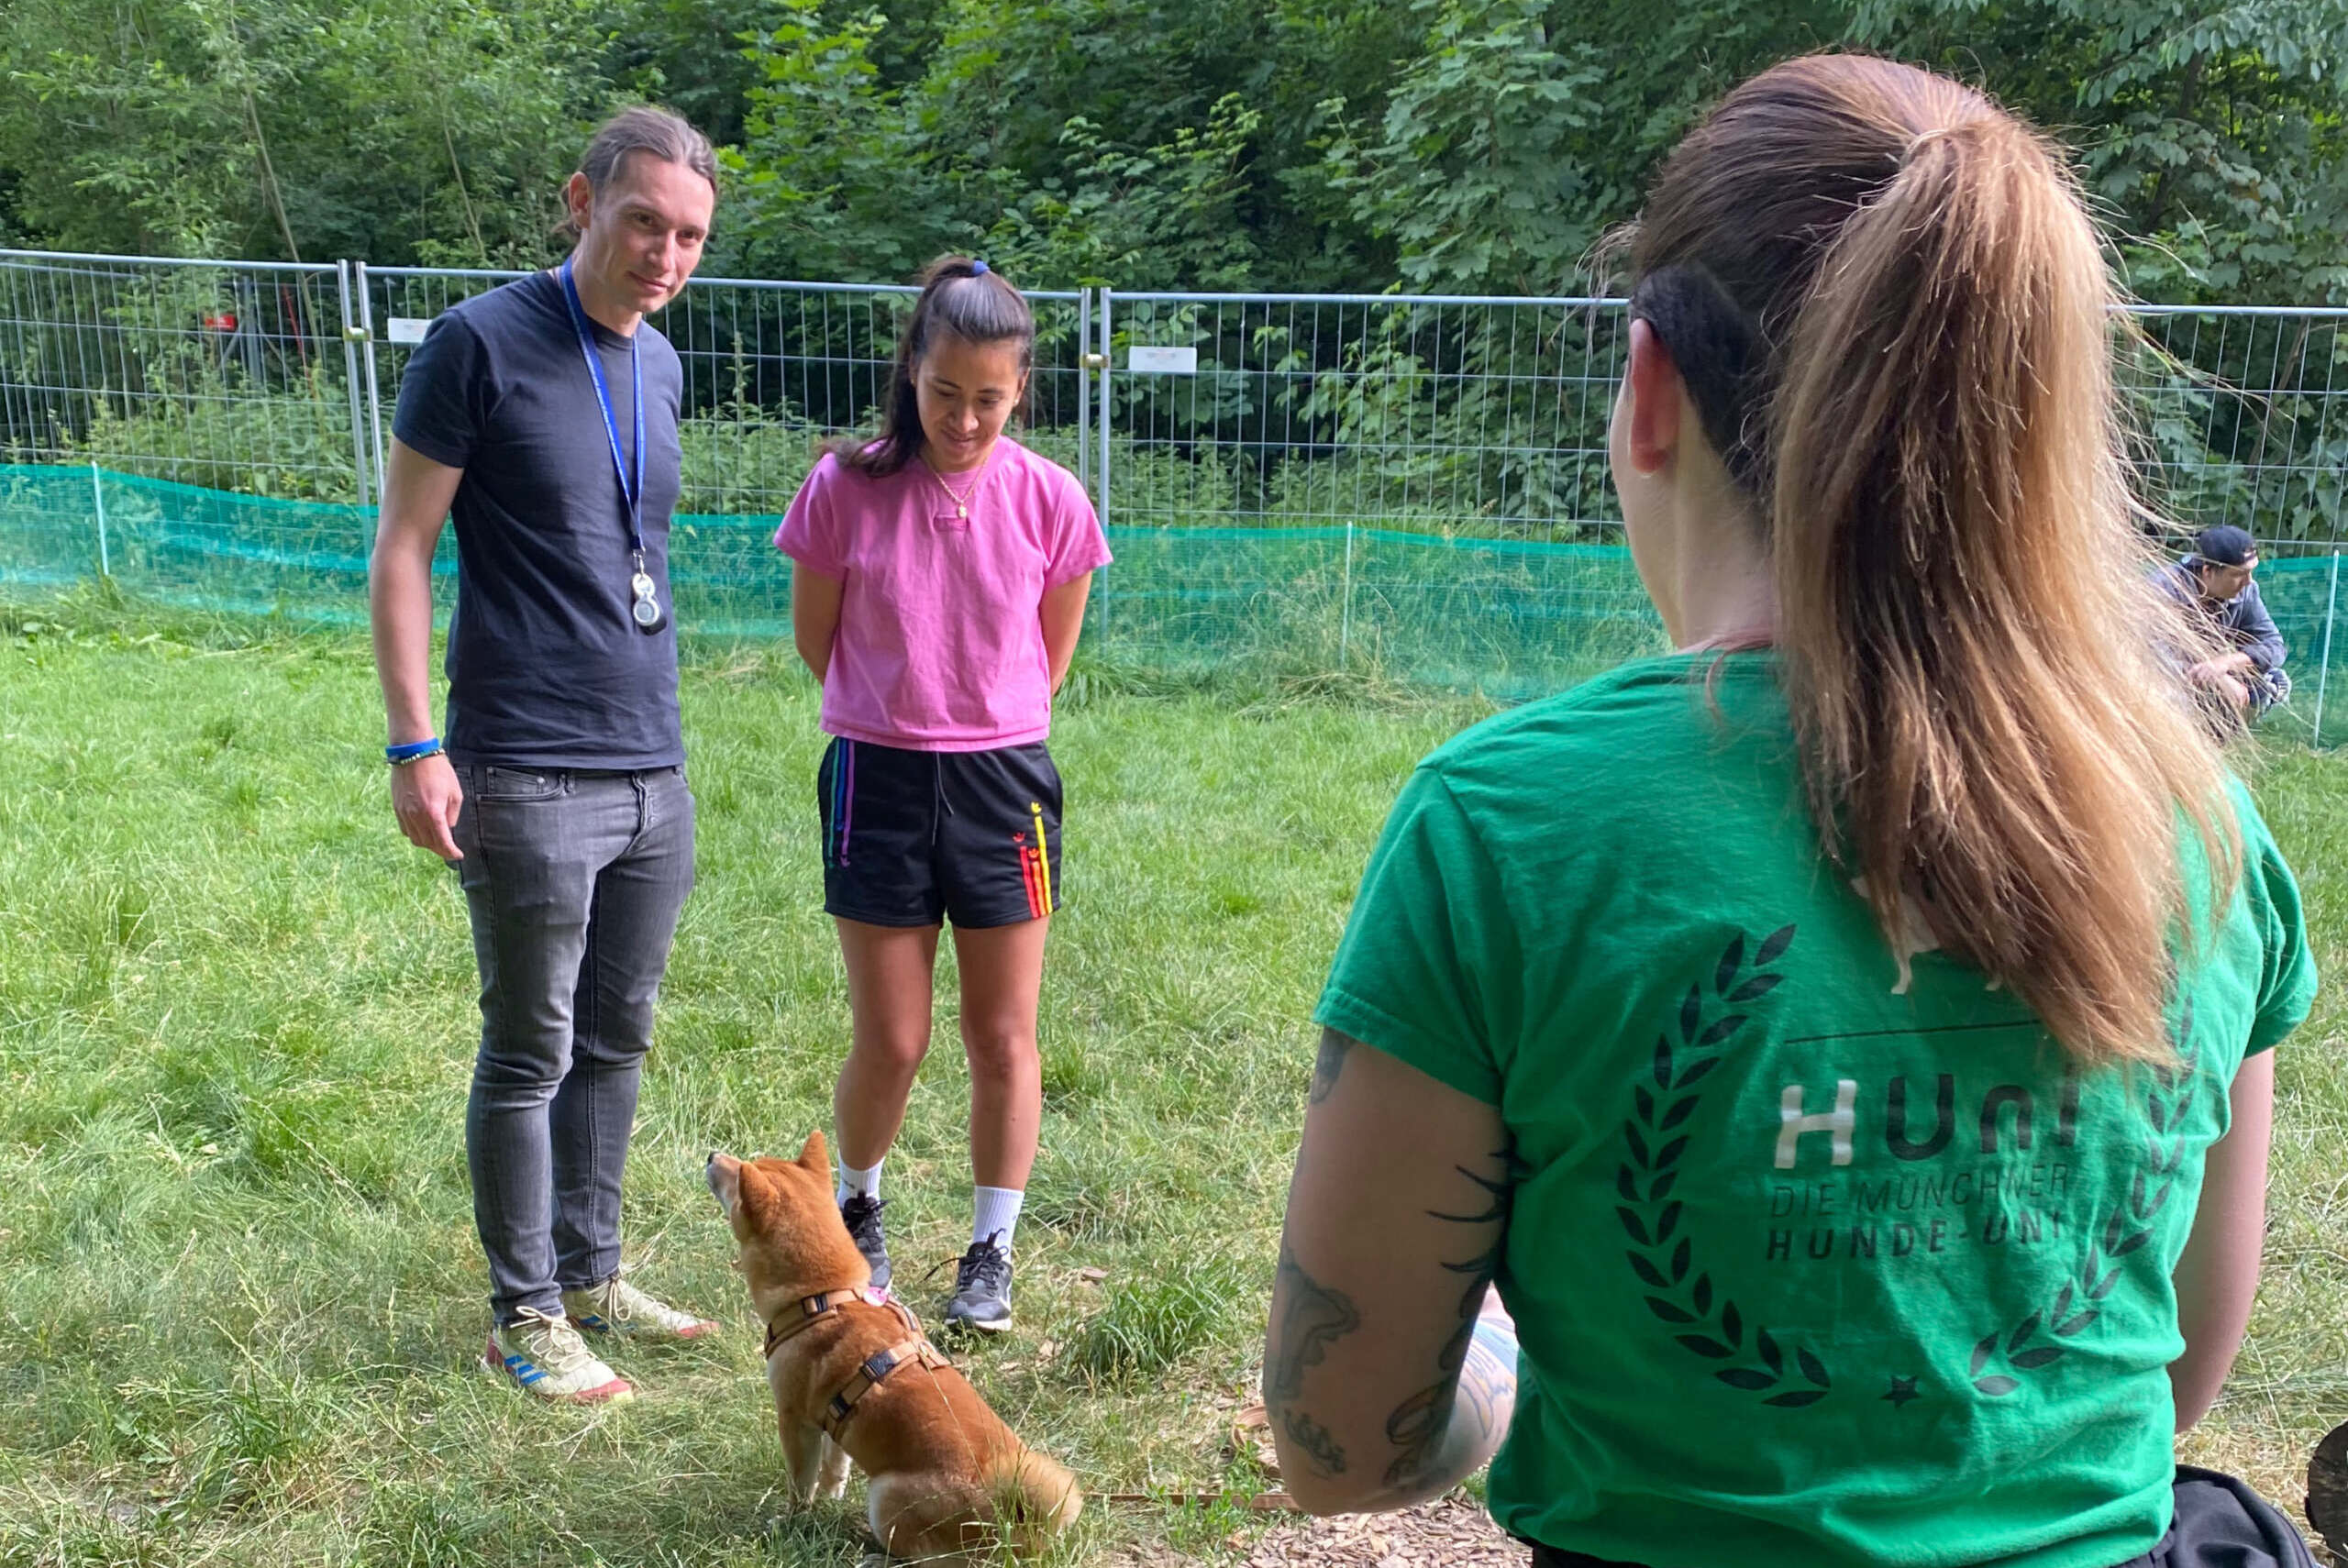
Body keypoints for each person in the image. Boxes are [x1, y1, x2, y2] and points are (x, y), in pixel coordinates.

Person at [1266, 54, 2319, 1568]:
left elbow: (1342, 1446)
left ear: (1647, 390)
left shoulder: (1501, 834)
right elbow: (2169, 1375)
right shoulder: (2209, 830)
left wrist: (1491, 1357)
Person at [368, 105, 721, 1404]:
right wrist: (416, 739)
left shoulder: (662, 363)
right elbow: (403, 545)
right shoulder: (478, 344)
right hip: (522, 761)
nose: (664, 253)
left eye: (689, 235)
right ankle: (524, 1309)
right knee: (533, 1043)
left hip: (651, 765)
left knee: (619, 1035)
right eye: (644, 223)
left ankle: (593, 1269)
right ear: (583, 201)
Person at [775, 257, 1110, 1332]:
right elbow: (815, 640)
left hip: (1004, 784)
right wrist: (900, 706)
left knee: (1003, 1035)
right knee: (895, 1037)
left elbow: (1048, 656)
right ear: (910, 373)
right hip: (874, 775)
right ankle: (858, 1209)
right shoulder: (846, 485)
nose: (963, 420)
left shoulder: (1051, 498)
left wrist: (980, 716)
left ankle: (988, 1251)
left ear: (1019, 392)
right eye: (942, 394)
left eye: (988, 400)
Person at [2158, 525, 2291, 728]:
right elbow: (2151, 656)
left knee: (2275, 682)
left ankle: (2213, 743)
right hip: (2159, 679)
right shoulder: (2163, 588)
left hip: (2205, 673)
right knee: (2172, 697)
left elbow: (2274, 645)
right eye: (2239, 574)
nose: (2249, 581)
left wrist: (2227, 663)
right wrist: (2217, 679)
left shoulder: (2246, 591)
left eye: (2252, 572)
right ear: (2208, 571)